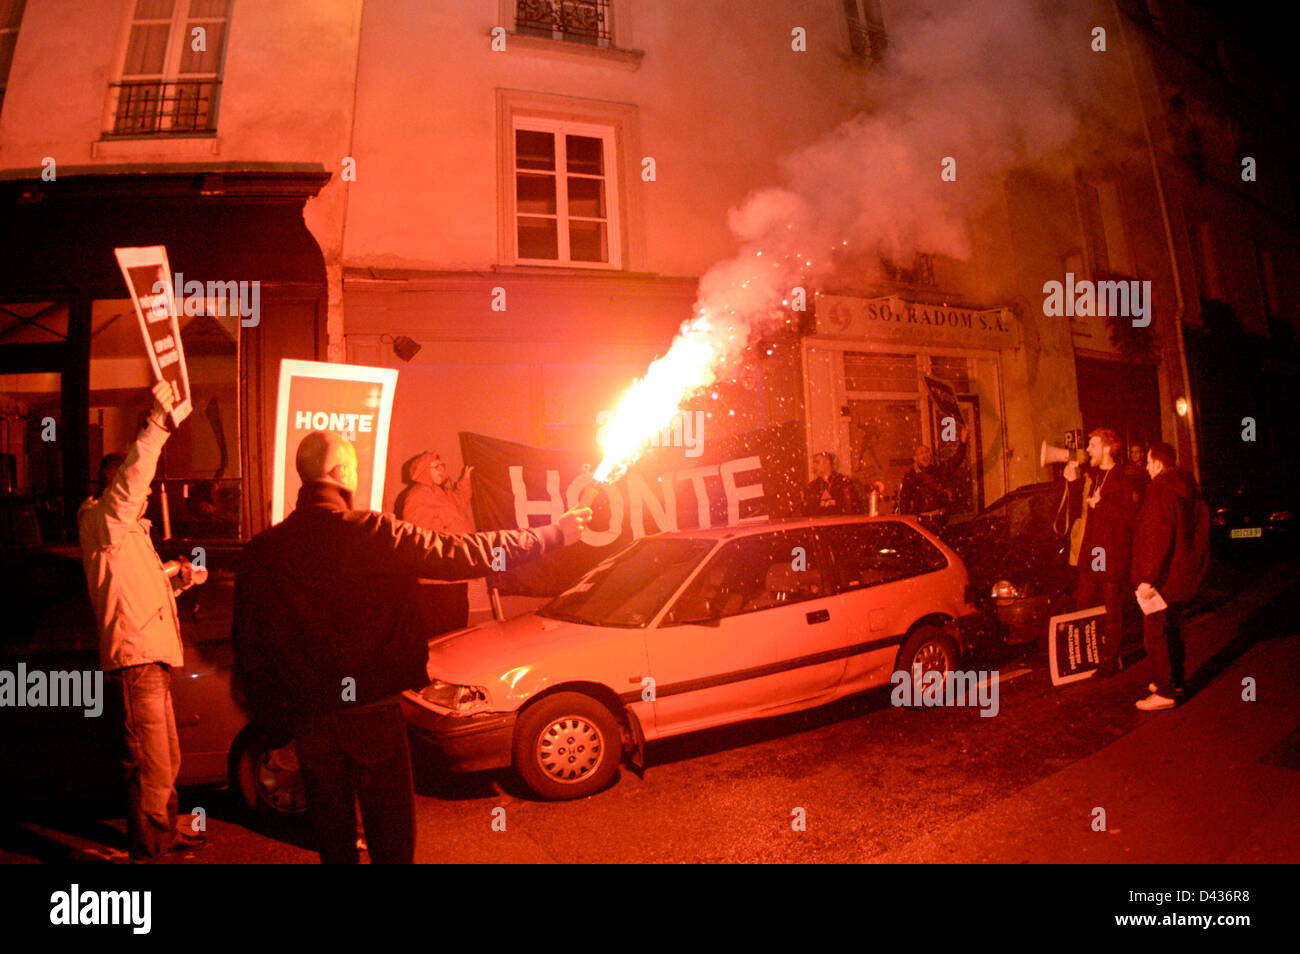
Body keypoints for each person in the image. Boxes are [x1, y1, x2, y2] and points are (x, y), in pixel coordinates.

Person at [231, 431, 590, 864]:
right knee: (391, 832)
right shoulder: (377, 534)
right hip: (374, 712)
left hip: (310, 717)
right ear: (340, 472)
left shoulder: (261, 552)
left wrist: (277, 718)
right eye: (355, 468)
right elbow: (468, 554)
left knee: (332, 831)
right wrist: (552, 535)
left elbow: (249, 646)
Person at [78, 381, 208, 862]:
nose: (147, 494)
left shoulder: (127, 536)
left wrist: (178, 580)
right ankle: (149, 851)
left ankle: (163, 832)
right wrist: (156, 424)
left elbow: (134, 591)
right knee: (151, 765)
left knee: (165, 758)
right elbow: (131, 486)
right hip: (136, 661)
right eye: (141, 489)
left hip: (151, 659)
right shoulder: (104, 523)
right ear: (117, 489)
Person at [1131, 441, 1210, 710]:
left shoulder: (1159, 490)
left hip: (1162, 578)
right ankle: (1175, 680)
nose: (1146, 467)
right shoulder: (1187, 488)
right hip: (1181, 574)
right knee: (1174, 629)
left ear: (1157, 463)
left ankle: (1165, 691)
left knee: (1156, 632)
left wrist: (1147, 578)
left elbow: (1156, 536)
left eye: (1148, 462)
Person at [1064, 427, 1143, 677]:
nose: (1088, 450)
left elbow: (1130, 519)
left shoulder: (1123, 477)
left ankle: (1110, 660)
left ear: (1107, 448)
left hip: (1112, 554)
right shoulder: (1094, 476)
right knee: (1085, 603)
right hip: (1094, 553)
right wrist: (1073, 483)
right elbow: (1078, 510)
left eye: (1093, 445)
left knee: (1112, 609)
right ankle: (1089, 656)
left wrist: (1103, 505)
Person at [395, 451, 477, 632]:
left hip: (454, 572)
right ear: (425, 471)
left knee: (458, 620)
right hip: (438, 577)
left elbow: (461, 501)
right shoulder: (417, 496)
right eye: (436, 467)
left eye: (443, 466)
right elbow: (417, 535)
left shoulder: (443, 493)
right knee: (443, 627)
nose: (442, 470)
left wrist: (465, 479)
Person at [898, 425, 969, 530]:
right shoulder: (911, 477)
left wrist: (963, 441)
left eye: (927, 452)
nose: (925, 455)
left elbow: (956, 460)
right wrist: (906, 526)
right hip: (923, 525)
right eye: (921, 453)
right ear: (915, 458)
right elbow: (904, 503)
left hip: (942, 521)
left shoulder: (938, 471)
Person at [803, 451, 862, 516]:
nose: (813, 466)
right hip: (819, 525)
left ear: (827, 463)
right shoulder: (812, 486)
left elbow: (853, 509)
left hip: (840, 524)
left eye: (817, 462)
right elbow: (808, 513)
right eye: (813, 463)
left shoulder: (844, 483)